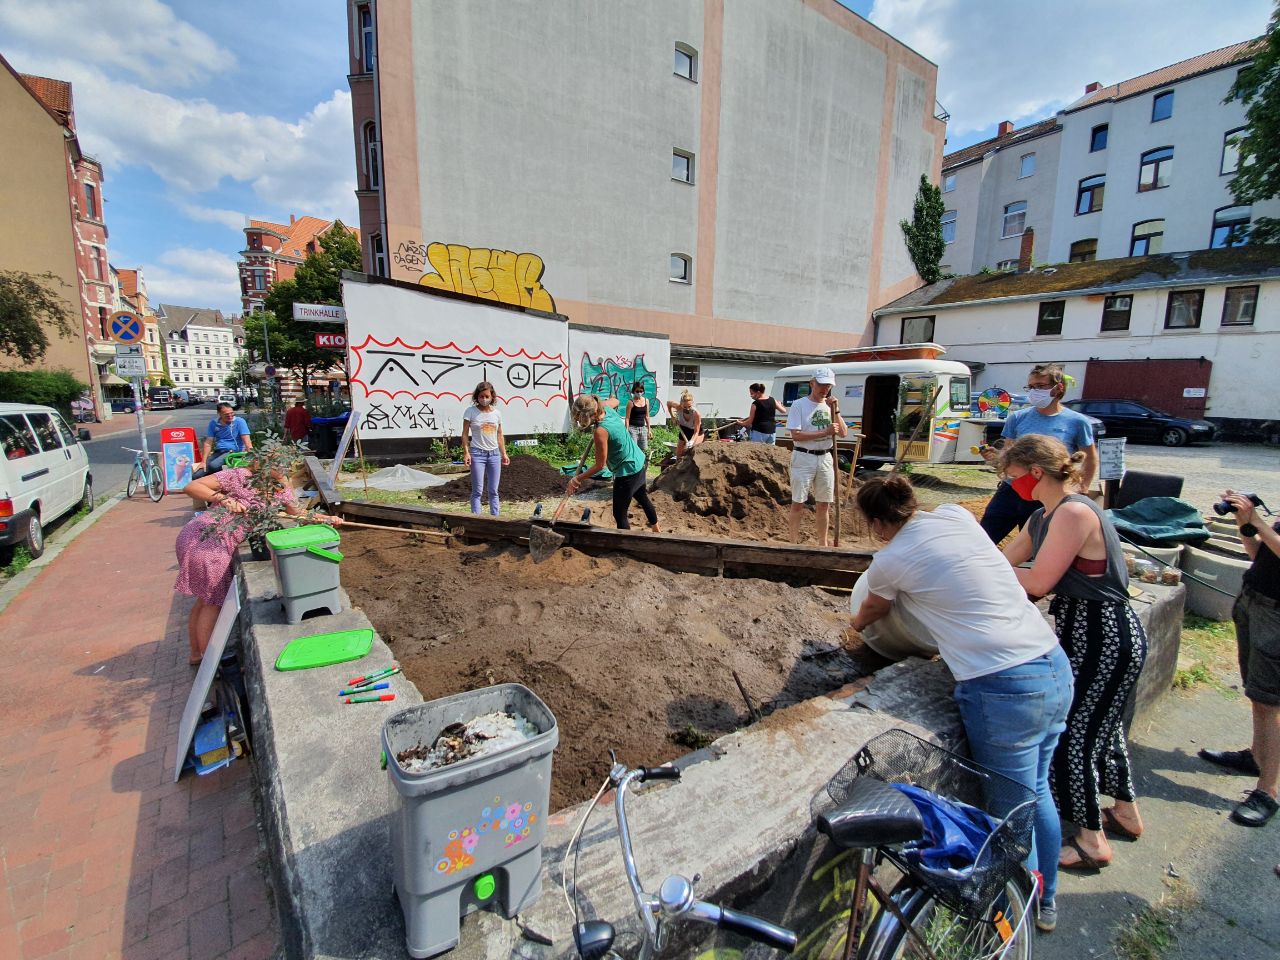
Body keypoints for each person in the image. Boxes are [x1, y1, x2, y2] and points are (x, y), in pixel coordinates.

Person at [851, 475, 1073, 933]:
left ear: (876, 524)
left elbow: (871, 611)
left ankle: (1013, 924)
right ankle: (1046, 902)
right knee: (1037, 791)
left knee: (1010, 817)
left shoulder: (891, 559)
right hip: (1051, 662)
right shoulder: (953, 514)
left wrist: (854, 622)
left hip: (1003, 685)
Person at [1000, 435, 1148, 869]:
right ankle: (1125, 812)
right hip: (1082, 632)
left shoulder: (1074, 513)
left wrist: (990, 575)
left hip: (1105, 635)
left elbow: (1038, 581)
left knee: (1074, 737)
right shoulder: (1041, 517)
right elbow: (1005, 559)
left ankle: (1090, 840)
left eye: (1013, 477)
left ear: (1036, 473)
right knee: (1105, 728)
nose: (1011, 486)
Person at [176, 458, 314, 664]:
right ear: (261, 463)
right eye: (277, 465)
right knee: (212, 602)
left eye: (284, 466)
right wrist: (225, 500)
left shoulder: (281, 487)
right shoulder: (239, 476)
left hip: (210, 541)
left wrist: (326, 519)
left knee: (204, 599)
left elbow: (297, 513)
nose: (282, 470)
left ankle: (196, 655)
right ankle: (211, 662)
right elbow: (191, 486)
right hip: (207, 541)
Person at [1198, 490, 1280, 828]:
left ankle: (1269, 791)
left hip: (1276, 616)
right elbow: (1262, 555)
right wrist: (1246, 526)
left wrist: (1257, 520)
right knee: (1256, 693)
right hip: (1254, 601)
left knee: (1269, 701)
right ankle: (1258, 756)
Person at [979, 364, 1097, 544]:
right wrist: (996, 457)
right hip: (1012, 490)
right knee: (984, 539)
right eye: (1031, 387)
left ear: (1058, 388)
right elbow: (1008, 456)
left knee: (1036, 546)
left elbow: (1090, 458)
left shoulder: (1078, 422)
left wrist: (1083, 488)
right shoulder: (1017, 418)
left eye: (1041, 386)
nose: (1035, 391)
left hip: (1047, 497)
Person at [566, 395, 661, 533]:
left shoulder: (600, 431)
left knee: (619, 513)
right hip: (639, 462)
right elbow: (616, 400)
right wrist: (611, 397)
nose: (577, 419)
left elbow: (600, 465)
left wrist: (576, 479)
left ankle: (625, 544)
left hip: (627, 472)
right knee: (642, 498)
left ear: (586, 416)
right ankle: (657, 530)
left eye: (577, 416)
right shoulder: (605, 408)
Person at [786, 367, 847, 547]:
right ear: (812, 383)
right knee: (798, 502)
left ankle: (823, 544)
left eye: (828, 386)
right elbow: (796, 435)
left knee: (824, 503)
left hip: (825, 457)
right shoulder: (799, 405)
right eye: (821, 385)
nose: (824, 389)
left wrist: (836, 411)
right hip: (803, 456)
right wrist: (824, 432)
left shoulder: (831, 407)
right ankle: (793, 543)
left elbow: (843, 432)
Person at [462, 381, 510, 517]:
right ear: (477, 397)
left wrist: (504, 454)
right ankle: (476, 518)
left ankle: (495, 518)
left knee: (493, 490)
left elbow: (500, 434)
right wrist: (466, 452)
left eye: (487, 396)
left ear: (492, 396)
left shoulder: (497, 414)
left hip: (494, 454)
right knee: (477, 490)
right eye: (481, 396)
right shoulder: (470, 412)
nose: (484, 399)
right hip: (477, 453)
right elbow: (465, 434)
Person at [201, 403, 253, 473]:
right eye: (226, 414)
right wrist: (203, 461)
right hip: (219, 451)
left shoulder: (239, 422)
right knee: (198, 474)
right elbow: (208, 442)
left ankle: (219, 480)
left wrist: (251, 456)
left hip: (233, 452)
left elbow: (247, 441)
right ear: (219, 413)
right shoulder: (213, 423)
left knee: (213, 465)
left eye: (232, 413)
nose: (230, 416)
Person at [666, 391, 703, 458]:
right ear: (681, 404)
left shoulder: (696, 414)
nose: (687, 409)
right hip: (684, 430)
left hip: (696, 432)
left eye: (689, 406)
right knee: (679, 454)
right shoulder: (678, 407)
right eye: (685, 407)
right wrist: (672, 417)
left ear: (692, 404)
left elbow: (696, 432)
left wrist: (691, 441)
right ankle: (677, 467)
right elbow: (668, 403)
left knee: (693, 452)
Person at [625, 383, 652, 456]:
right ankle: (634, 465)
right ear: (633, 391)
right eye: (637, 391)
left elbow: (647, 416)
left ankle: (643, 466)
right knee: (634, 449)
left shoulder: (646, 401)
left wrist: (649, 430)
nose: (639, 393)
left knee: (644, 449)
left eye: (641, 391)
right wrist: (627, 430)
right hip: (632, 428)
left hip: (643, 428)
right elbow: (627, 418)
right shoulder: (630, 402)